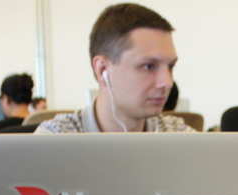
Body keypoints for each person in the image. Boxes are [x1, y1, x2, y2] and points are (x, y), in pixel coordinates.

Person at [36, 3, 193, 135]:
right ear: (102, 69)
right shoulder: (54, 138)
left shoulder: (180, 135)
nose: (167, 82)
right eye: (149, 66)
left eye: (170, 66)